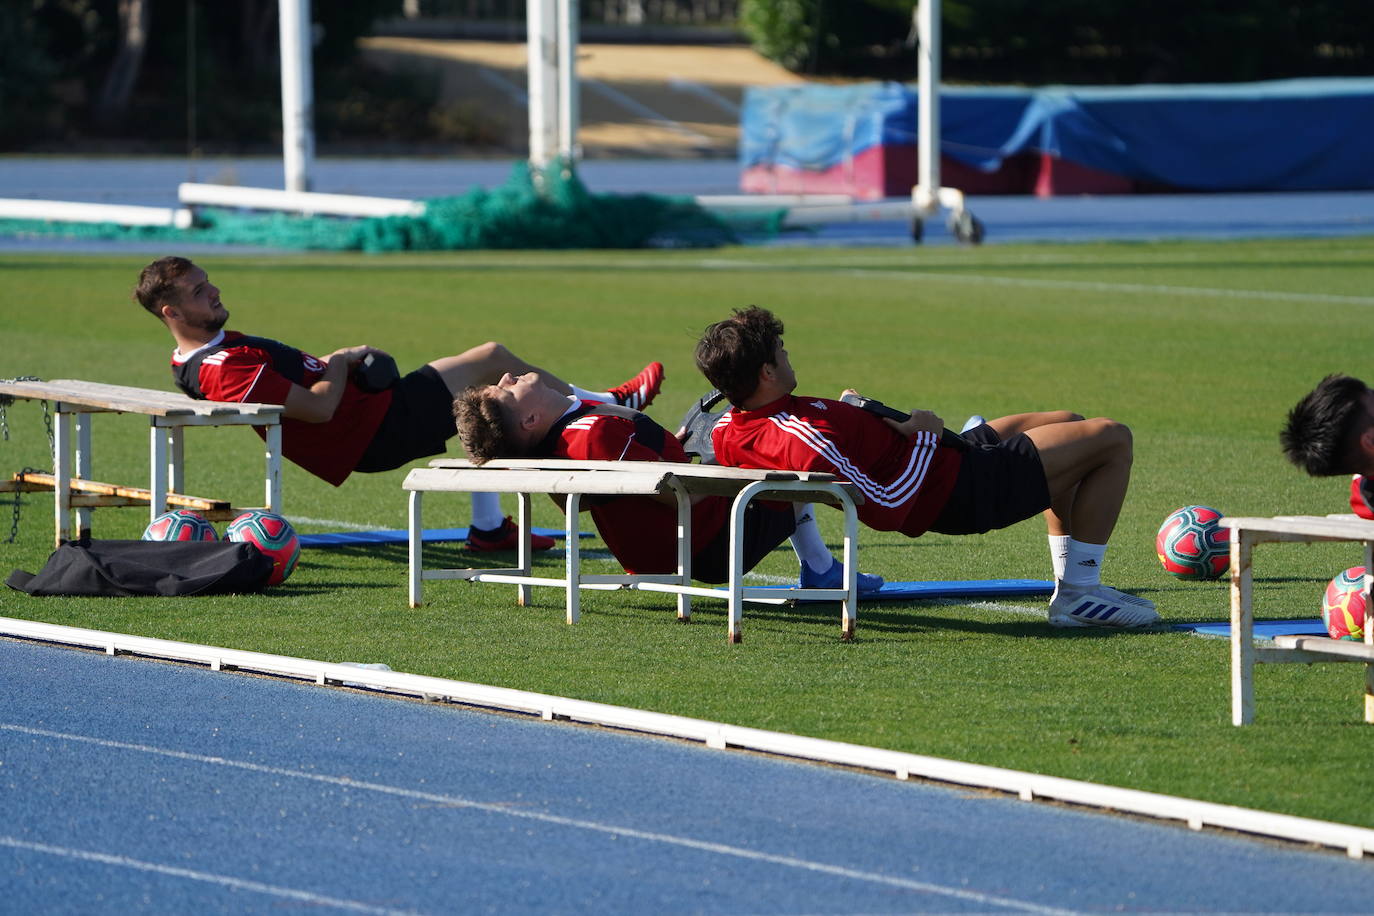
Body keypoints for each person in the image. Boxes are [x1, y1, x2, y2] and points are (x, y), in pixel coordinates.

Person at [134, 256, 664, 552]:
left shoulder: (195, 359)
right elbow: (316, 411)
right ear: (171, 310)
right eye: (200, 291)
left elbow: (297, 390)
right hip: (370, 431)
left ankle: (489, 529)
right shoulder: (223, 368)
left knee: (483, 387)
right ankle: (605, 402)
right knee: (490, 366)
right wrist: (340, 361)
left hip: (370, 415)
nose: (215, 291)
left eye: (208, 282)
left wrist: (340, 365)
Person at [694, 306, 1159, 629]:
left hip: (951, 459)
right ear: (766, 374)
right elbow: (886, 507)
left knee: (1069, 424)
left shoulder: (730, 427)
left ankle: (1067, 583)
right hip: (961, 487)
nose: (789, 354)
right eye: (781, 350)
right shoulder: (800, 437)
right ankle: (1080, 590)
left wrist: (865, 416)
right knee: (1112, 437)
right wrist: (921, 434)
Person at [453, 371, 884, 591]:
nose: (508, 377)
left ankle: (822, 567)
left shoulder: (565, 441)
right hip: (710, 542)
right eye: (506, 390)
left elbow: (614, 490)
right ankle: (821, 569)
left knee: (746, 437)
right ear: (529, 419)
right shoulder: (592, 434)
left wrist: (672, 451)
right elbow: (680, 496)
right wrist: (722, 465)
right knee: (777, 442)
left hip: (671, 545)